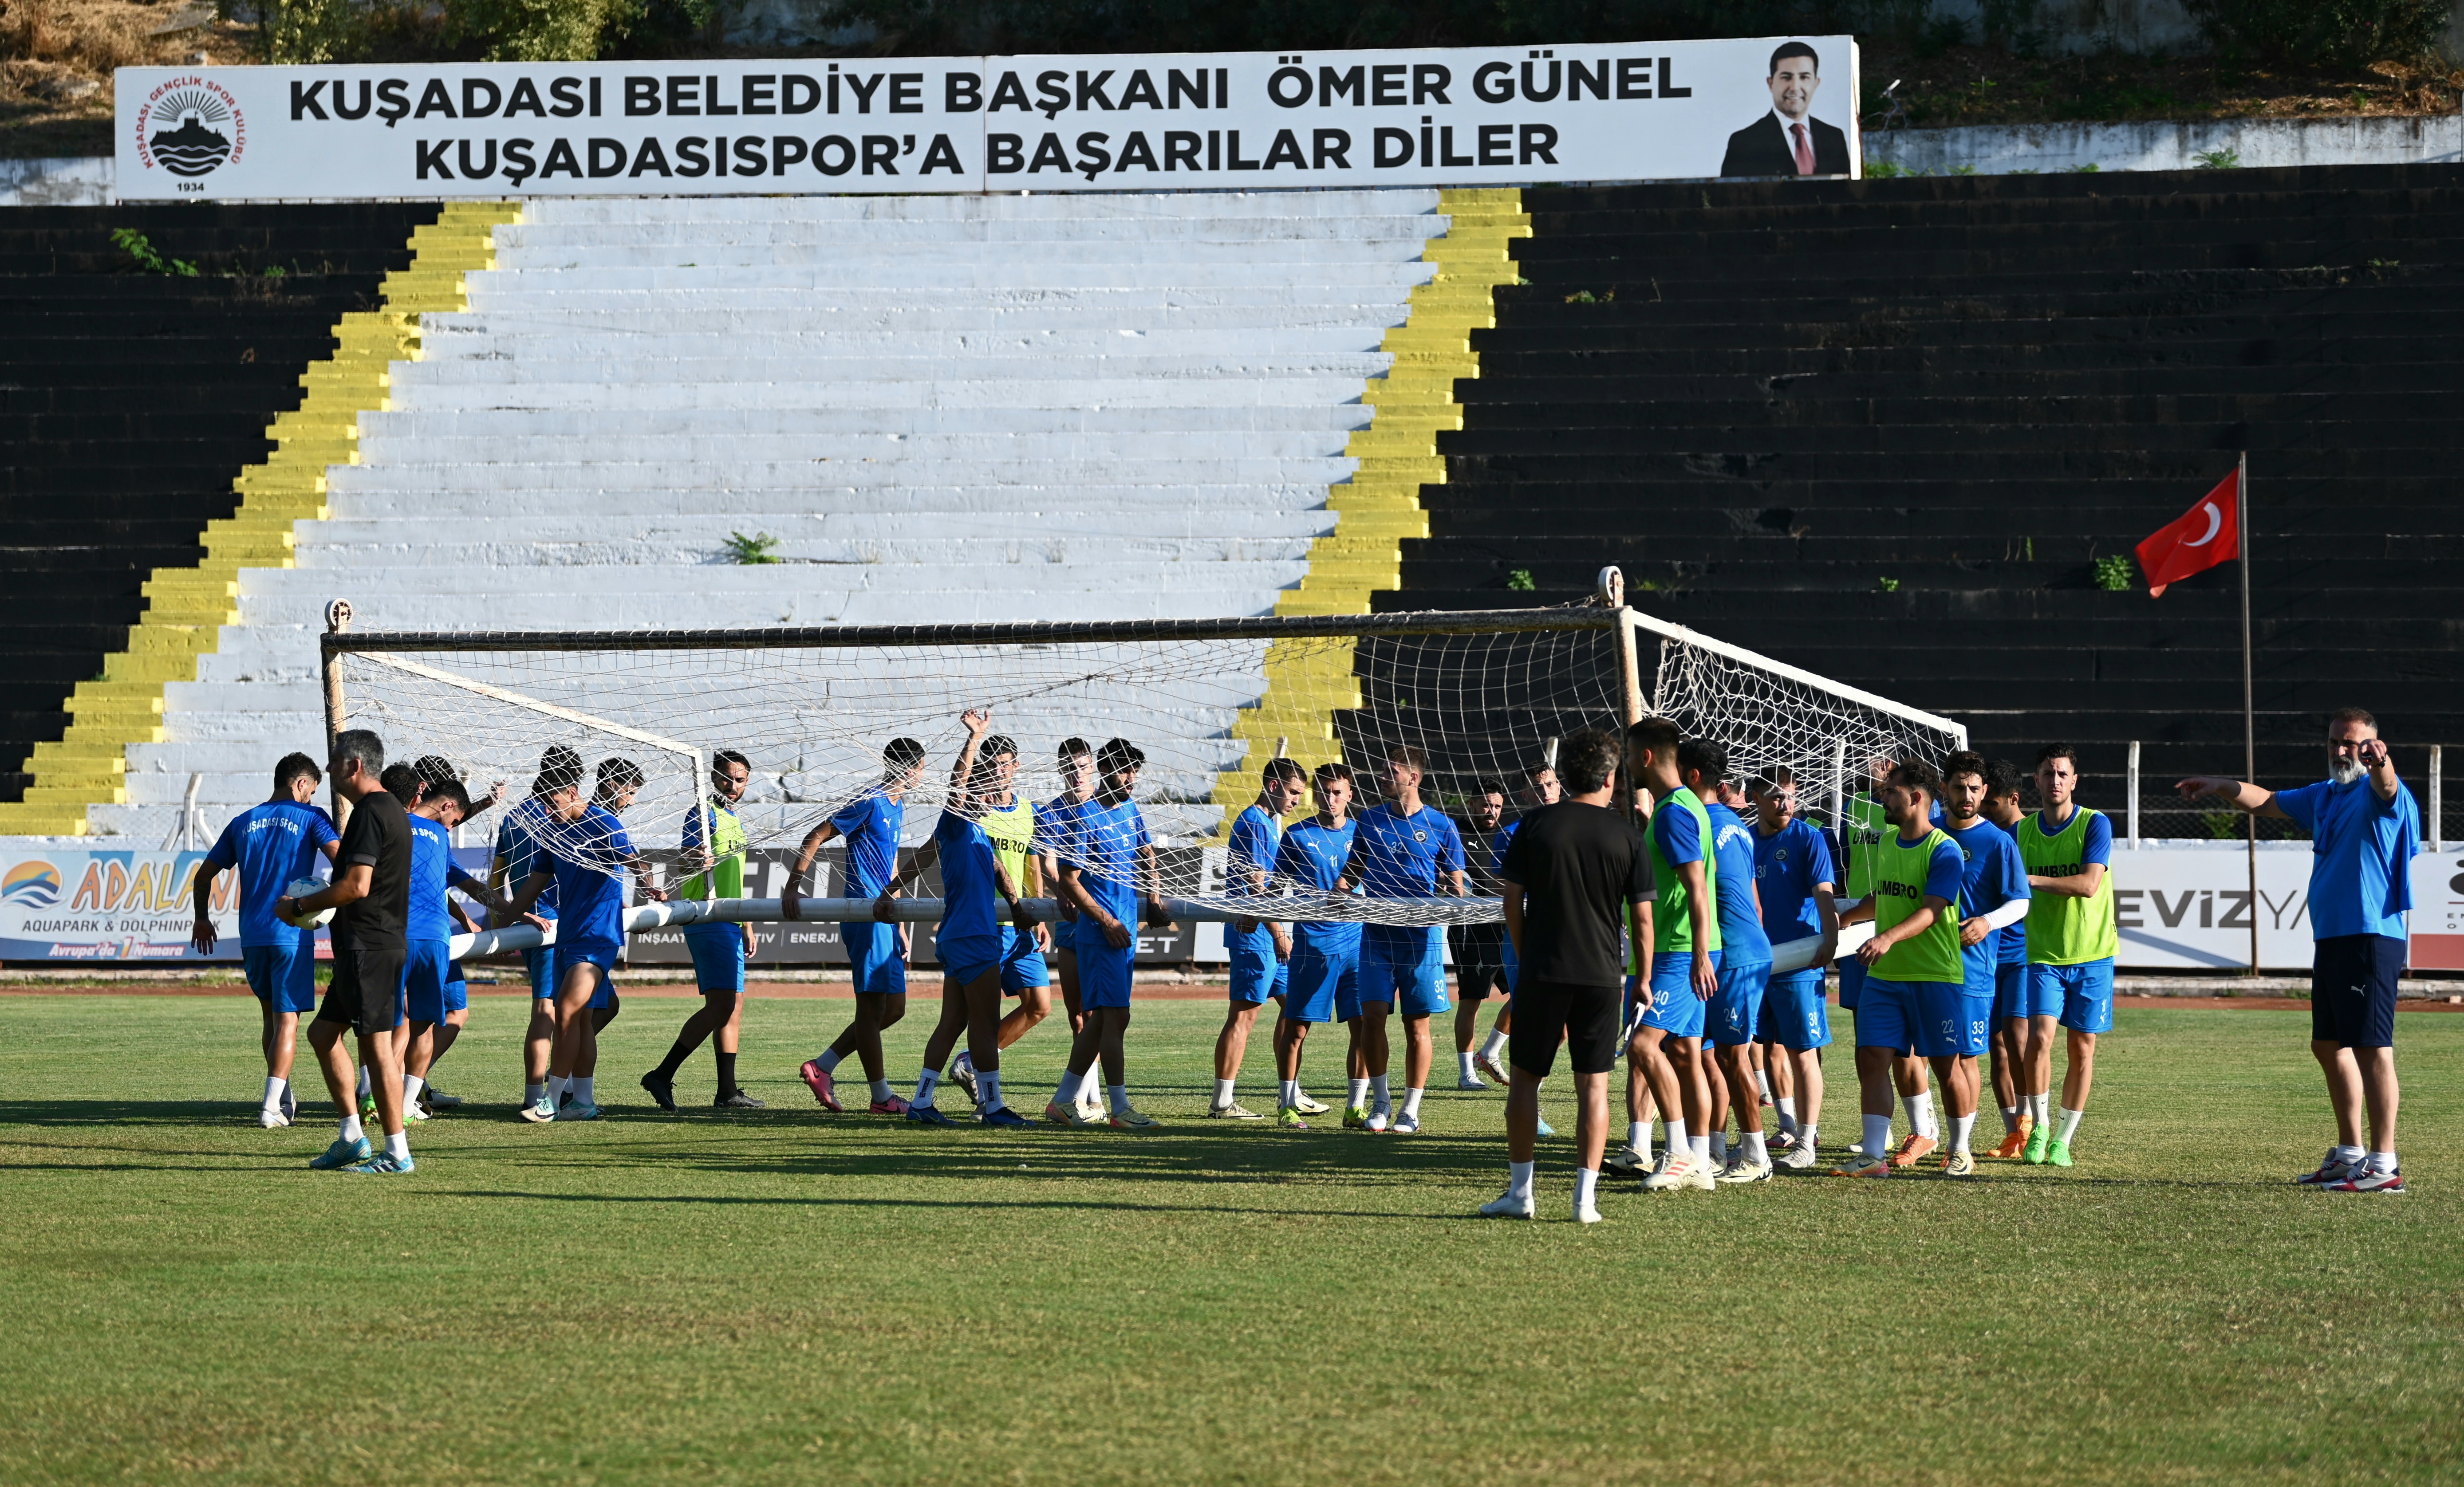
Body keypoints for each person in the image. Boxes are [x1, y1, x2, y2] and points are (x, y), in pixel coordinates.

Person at [2179, 708, 2417, 1194]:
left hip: (2370, 936)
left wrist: (2382, 764)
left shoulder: (2378, 789)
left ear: (2373, 745)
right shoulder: (2326, 794)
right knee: (2328, 1044)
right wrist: (2220, 783)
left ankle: (2385, 1163)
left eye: (2352, 744)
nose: (2341, 752)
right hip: (2333, 938)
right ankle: (2351, 1151)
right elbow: (2266, 801)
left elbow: (2390, 790)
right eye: (2335, 743)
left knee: (2373, 1046)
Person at [1479, 728, 1653, 1222]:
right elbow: (1642, 919)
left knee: (1524, 1084)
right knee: (1593, 1088)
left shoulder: (1533, 825)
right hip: (1602, 976)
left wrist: (1526, 950)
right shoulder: (1627, 833)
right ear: (1610, 777)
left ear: (1567, 776)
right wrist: (1641, 975)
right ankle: (1585, 1201)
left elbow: (1511, 902)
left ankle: (1521, 1193)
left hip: (1543, 971)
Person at [276, 730, 415, 1173]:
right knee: (322, 1035)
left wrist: (300, 905)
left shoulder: (373, 812)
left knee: (377, 1050)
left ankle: (397, 1153)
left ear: (354, 765)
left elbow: (357, 886)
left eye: (334, 761)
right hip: (371, 945)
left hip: (369, 948)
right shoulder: (387, 808)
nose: (329, 769)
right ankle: (353, 1137)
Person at [510, 757, 668, 1123]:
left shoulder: (603, 821)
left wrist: (649, 888)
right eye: (544, 806)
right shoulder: (556, 834)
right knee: (581, 1021)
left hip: (597, 938)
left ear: (571, 793)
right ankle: (583, 1102)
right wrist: (504, 919)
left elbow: (633, 860)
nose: (547, 812)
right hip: (568, 937)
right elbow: (535, 884)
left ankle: (550, 1100)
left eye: (551, 803)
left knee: (564, 1011)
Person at [896, 710, 1032, 1128]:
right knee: (985, 1023)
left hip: (961, 936)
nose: (992, 791)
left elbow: (998, 869)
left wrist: (1017, 906)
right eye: (984, 785)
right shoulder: (958, 817)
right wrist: (975, 739)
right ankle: (993, 1107)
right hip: (972, 936)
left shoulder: (975, 831)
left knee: (953, 1022)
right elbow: (958, 784)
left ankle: (920, 1103)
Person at [191, 752, 341, 1129]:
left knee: (271, 1019)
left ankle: (283, 1096)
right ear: (302, 784)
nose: (311, 798)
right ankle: (270, 1107)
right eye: (312, 790)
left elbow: (203, 876)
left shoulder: (243, 822)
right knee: (287, 1020)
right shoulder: (311, 817)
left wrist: (202, 919)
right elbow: (342, 860)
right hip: (290, 931)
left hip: (253, 934)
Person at [1833, 760, 1965, 1179]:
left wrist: (1887, 937)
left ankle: (1959, 1149)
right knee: (1871, 1057)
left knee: (1947, 1066)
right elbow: (1886, 895)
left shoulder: (1944, 850)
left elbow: (1930, 910)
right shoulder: (1888, 842)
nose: (1882, 797)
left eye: (1891, 791)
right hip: (1886, 978)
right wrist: (1852, 915)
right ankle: (1874, 1157)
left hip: (1933, 976)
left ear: (1916, 798)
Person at [785, 737, 928, 1115]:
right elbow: (815, 836)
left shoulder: (897, 805)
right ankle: (881, 1098)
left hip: (884, 916)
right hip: (864, 915)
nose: (922, 774)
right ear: (909, 768)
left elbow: (891, 864)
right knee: (871, 1010)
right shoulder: (870, 799)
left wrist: (899, 919)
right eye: (920, 767)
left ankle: (823, 1067)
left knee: (894, 1009)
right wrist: (792, 886)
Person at [1047, 738, 1171, 1129]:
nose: (1131, 777)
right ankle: (1119, 1109)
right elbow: (1069, 879)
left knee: (1103, 1021)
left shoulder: (1130, 808)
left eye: (1135, 770)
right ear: (1104, 770)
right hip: (1102, 935)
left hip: (1122, 933)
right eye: (1124, 769)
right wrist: (1106, 920)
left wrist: (1153, 895)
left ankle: (1063, 1102)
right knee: (1115, 1017)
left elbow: (1147, 852)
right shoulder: (1087, 815)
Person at [1345, 744, 1468, 1135]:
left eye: (1390, 771)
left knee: (1417, 1026)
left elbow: (1456, 884)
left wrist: (1450, 896)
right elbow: (1351, 871)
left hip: (1421, 940)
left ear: (1412, 778)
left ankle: (1410, 1110)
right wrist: (1336, 895)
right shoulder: (1368, 820)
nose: (1383, 777)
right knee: (1371, 1018)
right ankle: (1380, 1102)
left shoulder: (1441, 824)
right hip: (1376, 937)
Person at [2009, 743, 2121, 1168]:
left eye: (2061, 774)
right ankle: (2037, 1127)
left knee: (2082, 1048)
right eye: (2046, 774)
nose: (2054, 781)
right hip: (2043, 955)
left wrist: (2029, 879)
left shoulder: (2095, 824)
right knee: (2039, 1038)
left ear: (2074, 781)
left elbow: (2089, 885)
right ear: (2035, 781)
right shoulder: (2022, 832)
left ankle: (2063, 1138)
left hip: (2093, 954)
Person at [1623, 717, 1721, 1194]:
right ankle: (1700, 1161)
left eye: (1628, 755)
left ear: (1645, 757)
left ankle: (1679, 1152)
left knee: (1643, 1046)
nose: (1624, 765)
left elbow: (1698, 888)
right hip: (1684, 948)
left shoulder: (1675, 813)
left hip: (1680, 952)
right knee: (1685, 1055)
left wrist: (1699, 953)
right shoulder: (1683, 805)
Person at [401, 776, 528, 1122]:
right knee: (420, 1023)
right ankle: (401, 1097)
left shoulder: (396, 823)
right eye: (457, 819)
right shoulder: (436, 834)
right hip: (431, 940)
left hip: (394, 936)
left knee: (403, 1021)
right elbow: (470, 886)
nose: (455, 826)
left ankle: (391, 1094)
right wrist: (516, 912)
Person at [644, 750, 765, 1111]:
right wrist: (697, 856)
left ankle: (727, 1091)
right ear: (713, 778)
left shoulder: (734, 818)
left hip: (730, 918)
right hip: (706, 915)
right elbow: (685, 856)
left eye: (740, 780)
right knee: (723, 1004)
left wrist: (747, 923)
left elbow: (736, 878)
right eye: (727, 778)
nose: (733, 786)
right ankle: (662, 1075)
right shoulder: (703, 812)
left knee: (733, 1007)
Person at [1931, 751, 2032, 1178]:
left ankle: (1961, 1147)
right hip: (1927, 966)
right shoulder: (1931, 836)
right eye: (1958, 787)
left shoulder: (1998, 842)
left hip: (1973, 969)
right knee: (1937, 1057)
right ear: (1944, 790)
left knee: (1968, 1058)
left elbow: (2021, 902)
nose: (1967, 795)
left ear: (1985, 791)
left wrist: (1987, 923)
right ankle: (1927, 1133)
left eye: (1974, 788)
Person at [949, 734, 1054, 1107]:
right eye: (992, 763)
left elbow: (1033, 864)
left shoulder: (1028, 810)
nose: (999, 769)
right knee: (978, 1012)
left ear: (1016, 766)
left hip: (1021, 922)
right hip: (985, 924)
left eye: (1005, 763)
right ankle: (988, 1098)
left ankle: (969, 1063)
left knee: (1040, 1005)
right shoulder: (973, 809)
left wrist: (1039, 914)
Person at [1686, 744, 1775, 1183]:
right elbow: (1755, 903)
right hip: (1737, 948)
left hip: (1734, 953)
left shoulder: (1698, 823)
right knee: (1712, 1055)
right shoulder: (1736, 826)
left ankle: (1757, 1157)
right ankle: (1715, 1151)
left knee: (1733, 1057)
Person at [1749, 767, 1838, 1170]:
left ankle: (1808, 1140)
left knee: (1803, 1052)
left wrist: (1831, 939)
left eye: (1789, 795)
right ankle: (1786, 1125)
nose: (1784, 803)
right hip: (1754, 962)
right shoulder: (1745, 840)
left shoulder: (1808, 838)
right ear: (1755, 797)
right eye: (1774, 796)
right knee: (1768, 1048)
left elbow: (1823, 893)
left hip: (1798, 963)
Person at [1267, 762, 1360, 1130]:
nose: (1330, 798)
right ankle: (1287, 1105)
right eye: (1324, 791)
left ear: (1349, 795)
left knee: (1364, 1027)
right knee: (1296, 1029)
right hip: (1313, 943)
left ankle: (1355, 1108)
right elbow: (1274, 889)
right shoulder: (1296, 835)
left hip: (1357, 943)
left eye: (1338, 792)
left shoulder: (1363, 833)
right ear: (1314, 794)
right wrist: (1267, 920)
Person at [491, 746, 583, 1117]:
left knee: (582, 1009)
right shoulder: (565, 817)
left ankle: (564, 1086)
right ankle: (537, 1096)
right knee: (549, 1011)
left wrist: (500, 923)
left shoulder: (514, 817)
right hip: (553, 925)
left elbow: (496, 876)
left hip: (529, 922)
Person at [1214, 757, 1307, 1118]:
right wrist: (1280, 931)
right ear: (1273, 786)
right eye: (1293, 792)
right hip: (1255, 932)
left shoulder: (1270, 822)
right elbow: (1256, 887)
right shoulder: (1254, 822)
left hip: (1269, 933)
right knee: (1244, 1016)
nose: (1297, 800)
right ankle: (1222, 1101)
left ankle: (1291, 1092)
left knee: (1295, 1007)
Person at [1472, 760, 1561, 1087]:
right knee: (1529, 1011)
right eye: (1537, 788)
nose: (1545, 792)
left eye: (1550, 785)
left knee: (1561, 1024)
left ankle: (1518, 1082)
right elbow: (1500, 886)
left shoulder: (1572, 826)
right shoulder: (1510, 835)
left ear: (1559, 787)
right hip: (1524, 933)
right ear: (1525, 794)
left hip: (1564, 933)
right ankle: (1526, 1099)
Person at [1977, 762, 2041, 1157]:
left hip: (2020, 954)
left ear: (2013, 799)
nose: (1983, 811)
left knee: (2018, 1041)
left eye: (1992, 804)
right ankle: (2011, 1134)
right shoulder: (1977, 835)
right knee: (1994, 1047)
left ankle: (2031, 1124)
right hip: (1983, 954)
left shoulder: (2028, 836)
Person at [1448, 778, 1514, 1090]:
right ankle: (1466, 1073)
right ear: (1472, 804)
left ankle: (1489, 1054)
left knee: (1525, 994)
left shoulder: (1507, 836)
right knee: (1471, 1001)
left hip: (1505, 928)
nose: (1492, 811)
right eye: (1486, 804)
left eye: (1498, 806)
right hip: (1470, 930)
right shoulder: (1454, 832)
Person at [1718, 41, 1850, 177]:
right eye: (1786, 78)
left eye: (1804, 77)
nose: (1795, 87)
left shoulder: (1835, 138)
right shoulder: (1744, 143)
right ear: (1771, 84)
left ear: (1816, 84)